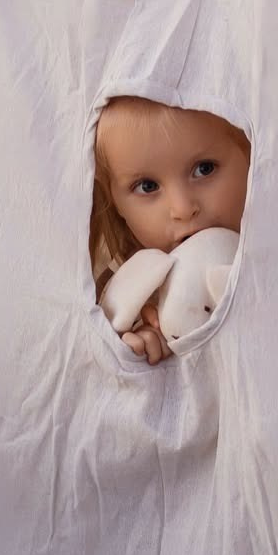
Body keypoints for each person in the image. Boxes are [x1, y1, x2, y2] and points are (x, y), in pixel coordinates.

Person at [90, 96, 251, 364]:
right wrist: (138, 345)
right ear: (115, 202)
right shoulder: (127, 296)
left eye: (204, 169)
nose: (183, 209)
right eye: (148, 186)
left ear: (249, 155)